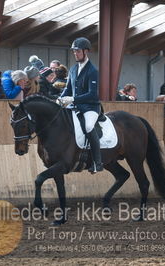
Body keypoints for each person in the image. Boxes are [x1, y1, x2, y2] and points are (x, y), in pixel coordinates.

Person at [59, 37, 103, 173]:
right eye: (74, 52)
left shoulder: (93, 71)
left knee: (89, 126)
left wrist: (73, 99)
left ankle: (97, 162)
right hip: (76, 106)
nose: (75, 54)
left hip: (91, 107)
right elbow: (68, 89)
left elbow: (92, 95)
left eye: (78, 51)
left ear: (86, 51)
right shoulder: (72, 69)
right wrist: (60, 99)